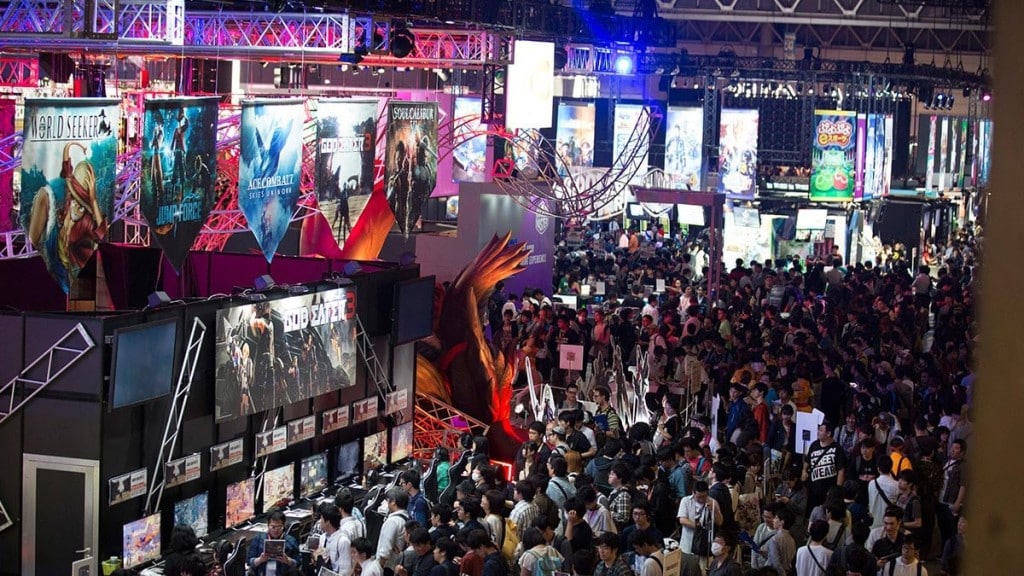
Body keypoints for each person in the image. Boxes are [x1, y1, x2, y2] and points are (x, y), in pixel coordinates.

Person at [247, 511, 301, 575]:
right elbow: (249, 562)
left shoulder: (291, 541)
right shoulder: (258, 539)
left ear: (284, 525)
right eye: (273, 527)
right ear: (268, 525)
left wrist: (288, 560)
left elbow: (298, 563)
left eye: (279, 527)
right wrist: (260, 560)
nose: (276, 530)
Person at [378, 488, 411, 570]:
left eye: (387, 500)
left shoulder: (392, 521)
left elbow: (385, 552)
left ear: (393, 502)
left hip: (388, 567)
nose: (385, 503)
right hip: (399, 565)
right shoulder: (407, 518)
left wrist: (378, 569)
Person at [315, 504, 353, 576]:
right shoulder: (322, 538)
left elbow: (345, 571)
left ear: (328, 522)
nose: (320, 521)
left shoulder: (343, 541)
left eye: (322, 519)